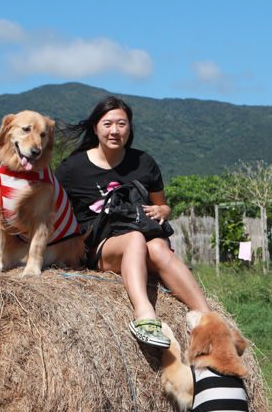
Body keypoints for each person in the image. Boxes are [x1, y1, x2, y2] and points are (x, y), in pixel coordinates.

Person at [55, 96, 211, 348]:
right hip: (101, 245)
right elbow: (51, 205)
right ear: (95, 128)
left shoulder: (144, 162)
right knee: (134, 240)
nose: (114, 130)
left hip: (144, 235)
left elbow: (163, 205)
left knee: (158, 247)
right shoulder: (73, 168)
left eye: (121, 124)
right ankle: (144, 316)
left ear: (129, 128)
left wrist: (162, 211)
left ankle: (210, 321)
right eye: (107, 124)